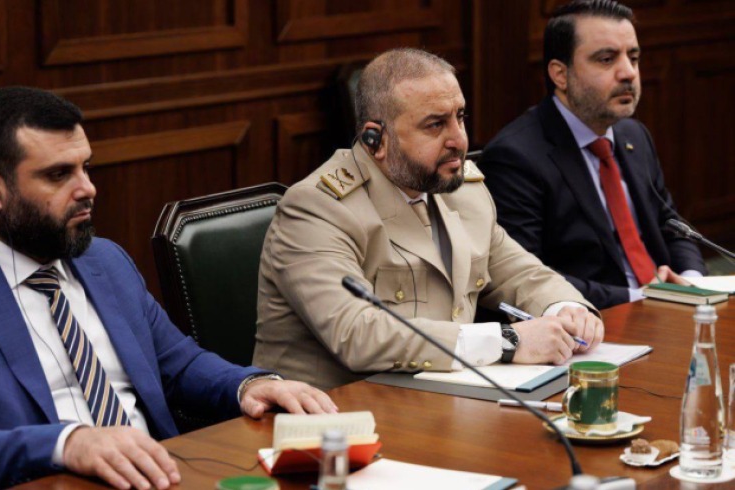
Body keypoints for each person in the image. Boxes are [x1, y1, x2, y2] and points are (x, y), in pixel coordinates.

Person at [0, 87, 336, 490]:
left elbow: (179, 365)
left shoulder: (104, 260)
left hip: (164, 475)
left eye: (86, 167)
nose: (87, 188)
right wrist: (67, 442)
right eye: (58, 174)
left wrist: (249, 384)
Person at [253, 48, 605, 391]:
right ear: (376, 140)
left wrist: (567, 309)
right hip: (336, 413)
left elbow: (520, 273)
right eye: (435, 124)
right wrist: (506, 341)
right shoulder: (317, 208)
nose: (459, 139)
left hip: (437, 402)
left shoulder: (461, 191)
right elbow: (356, 333)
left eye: (460, 117)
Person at [479, 0, 706, 309]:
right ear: (560, 74)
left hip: (669, 306)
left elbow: (672, 226)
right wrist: (642, 297)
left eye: (633, 58)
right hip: (597, 319)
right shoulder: (516, 157)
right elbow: (524, 276)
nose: (628, 73)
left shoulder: (633, 135)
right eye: (606, 59)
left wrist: (692, 280)